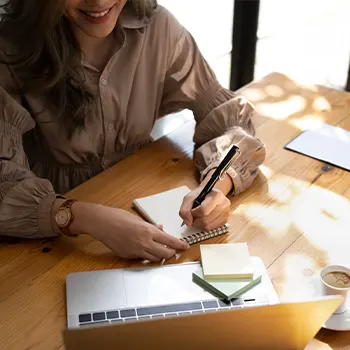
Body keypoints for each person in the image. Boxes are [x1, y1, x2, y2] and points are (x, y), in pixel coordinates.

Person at [0, 0, 265, 262]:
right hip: (48, 243)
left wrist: (216, 186)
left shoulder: (158, 28)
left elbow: (229, 119)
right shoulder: (9, 49)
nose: (98, 1)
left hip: (142, 206)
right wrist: (85, 218)